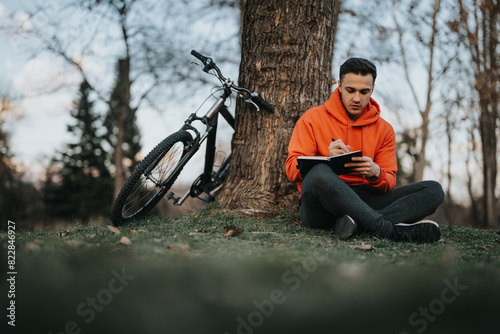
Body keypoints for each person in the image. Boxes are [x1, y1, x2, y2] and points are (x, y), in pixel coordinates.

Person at [285, 58, 445, 243]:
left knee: (433, 190)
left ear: (373, 89)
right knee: (319, 173)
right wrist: (326, 159)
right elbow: (291, 169)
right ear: (339, 85)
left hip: (366, 199)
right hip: (322, 207)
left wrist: (376, 173)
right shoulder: (312, 118)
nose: (356, 98)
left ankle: (354, 224)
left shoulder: (384, 129)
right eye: (350, 90)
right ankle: (388, 230)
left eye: (364, 92)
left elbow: (389, 181)